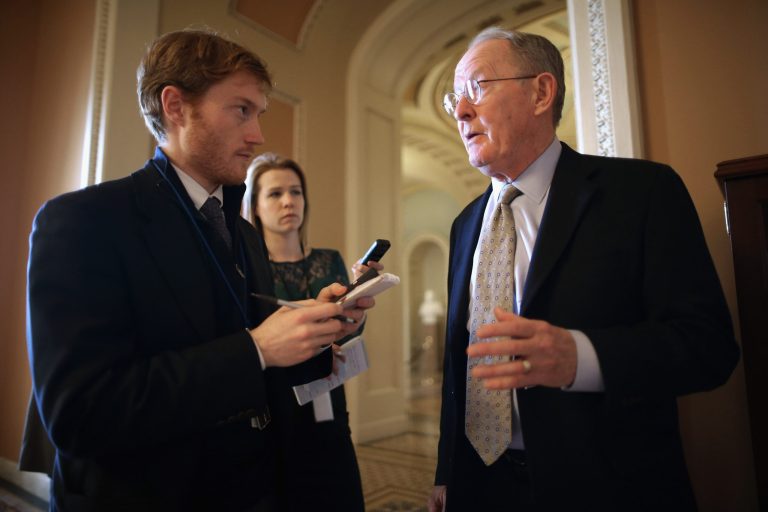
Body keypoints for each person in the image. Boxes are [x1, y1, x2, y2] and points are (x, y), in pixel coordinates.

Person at [26, 29, 372, 511]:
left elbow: (255, 359)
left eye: (259, 114)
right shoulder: (83, 222)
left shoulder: (246, 234)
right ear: (176, 106)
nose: (258, 135)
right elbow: (80, 413)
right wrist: (256, 349)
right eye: (241, 110)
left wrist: (316, 333)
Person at [428, 27, 740, 512]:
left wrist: (582, 358)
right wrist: (447, 473)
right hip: (480, 488)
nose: (462, 111)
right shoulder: (463, 223)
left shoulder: (643, 193)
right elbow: (459, 361)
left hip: (608, 485)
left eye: (478, 88)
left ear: (541, 92)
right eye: (456, 100)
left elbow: (709, 347)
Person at [242, 152, 377, 511]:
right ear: (254, 204)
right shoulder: (245, 271)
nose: (289, 201)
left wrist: (358, 306)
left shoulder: (328, 259)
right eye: (275, 194)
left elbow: (343, 336)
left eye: (296, 191)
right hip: (276, 410)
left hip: (329, 401)